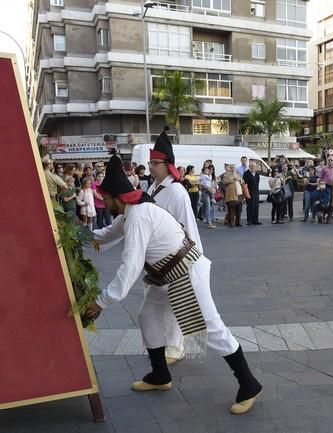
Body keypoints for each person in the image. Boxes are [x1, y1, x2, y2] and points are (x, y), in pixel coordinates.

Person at [84, 153, 261, 414]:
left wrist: (101, 301)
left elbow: (130, 266)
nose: (104, 201)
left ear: (117, 197)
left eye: (105, 197)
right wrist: (78, 237)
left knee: (211, 328)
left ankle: (249, 384)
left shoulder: (138, 216)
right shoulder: (131, 212)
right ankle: (160, 375)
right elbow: (106, 234)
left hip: (186, 273)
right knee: (148, 317)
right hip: (167, 275)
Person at [146, 128, 205, 363]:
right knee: (154, 306)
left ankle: (175, 346)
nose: (150, 167)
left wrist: (195, 261)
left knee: (174, 303)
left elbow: (189, 227)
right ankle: (160, 344)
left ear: (167, 164)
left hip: (177, 259)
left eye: (155, 163)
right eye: (149, 162)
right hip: (157, 260)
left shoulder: (177, 191)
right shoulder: (152, 189)